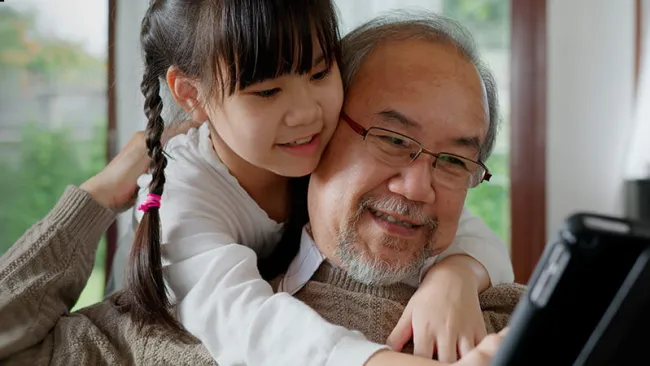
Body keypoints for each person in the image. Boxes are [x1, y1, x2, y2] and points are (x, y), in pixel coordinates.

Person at [0, 11, 520, 366]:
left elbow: (471, 232)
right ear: (193, 95)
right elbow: (239, 317)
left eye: (454, 159)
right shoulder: (185, 195)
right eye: (391, 138)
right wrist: (102, 192)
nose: (303, 116)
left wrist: (455, 276)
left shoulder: (498, 318)